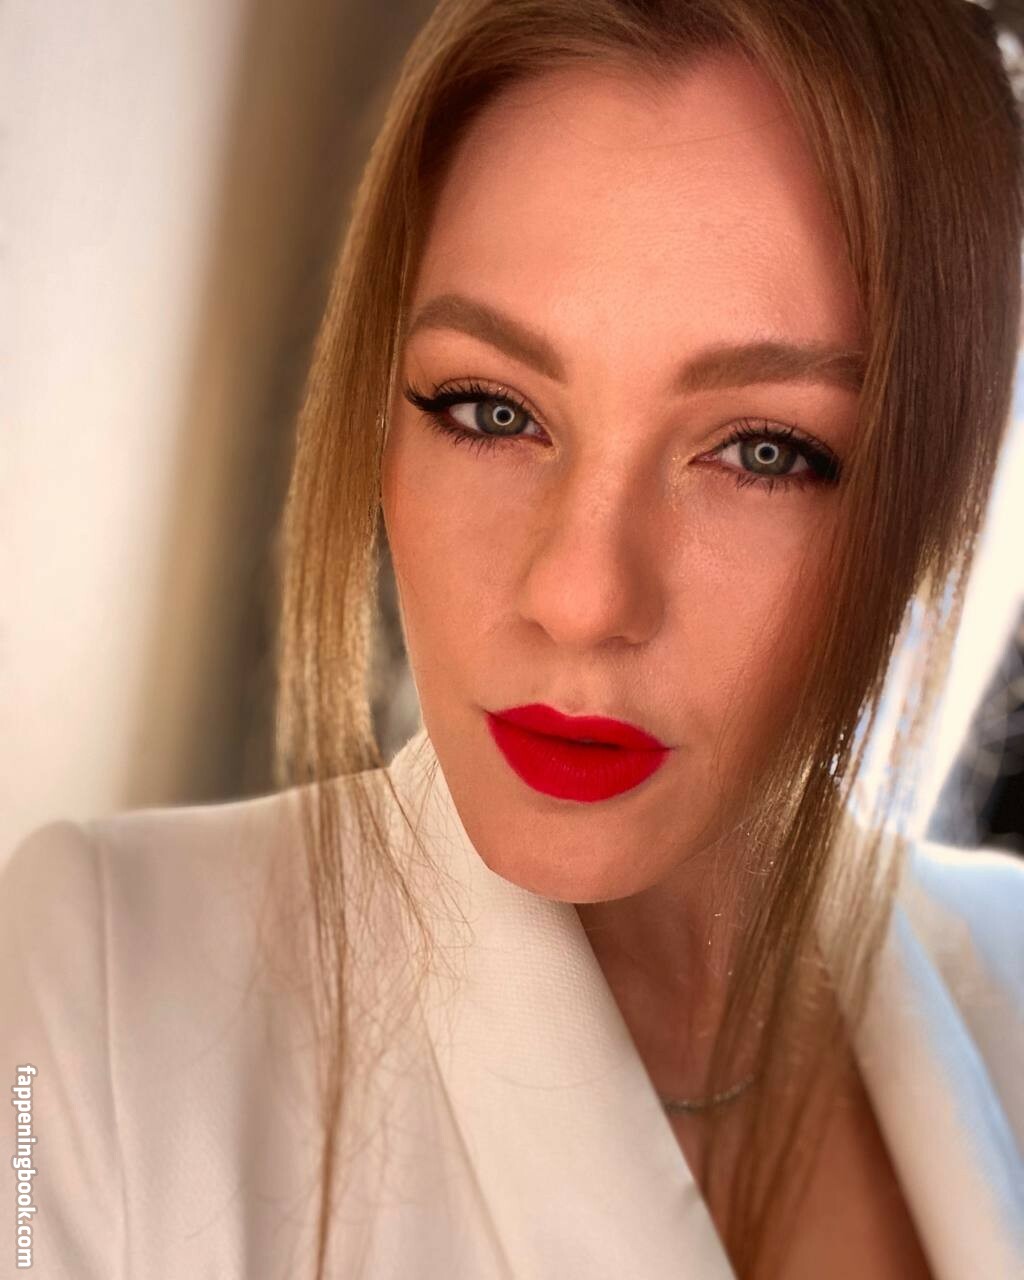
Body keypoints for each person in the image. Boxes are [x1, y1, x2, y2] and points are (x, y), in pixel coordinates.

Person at [2, 1, 1022, 1277]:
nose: (579, 595)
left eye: (762, 451)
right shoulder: (97, 984)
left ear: (933, 497)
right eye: (491, 410)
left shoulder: (1009, 962)